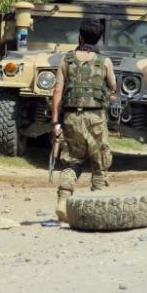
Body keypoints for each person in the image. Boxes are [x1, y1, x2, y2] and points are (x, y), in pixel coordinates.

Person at [51, 20, 117, 222]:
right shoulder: (104, 61)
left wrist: (55, 122)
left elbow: (57, 92)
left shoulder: (66, 60)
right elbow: (113, 88)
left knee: (72, 160)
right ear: (98, 39)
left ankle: (63, 201)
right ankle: (97, 205)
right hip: (96, 117)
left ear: (80, 37)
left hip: (71, 117)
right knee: (100, 163)